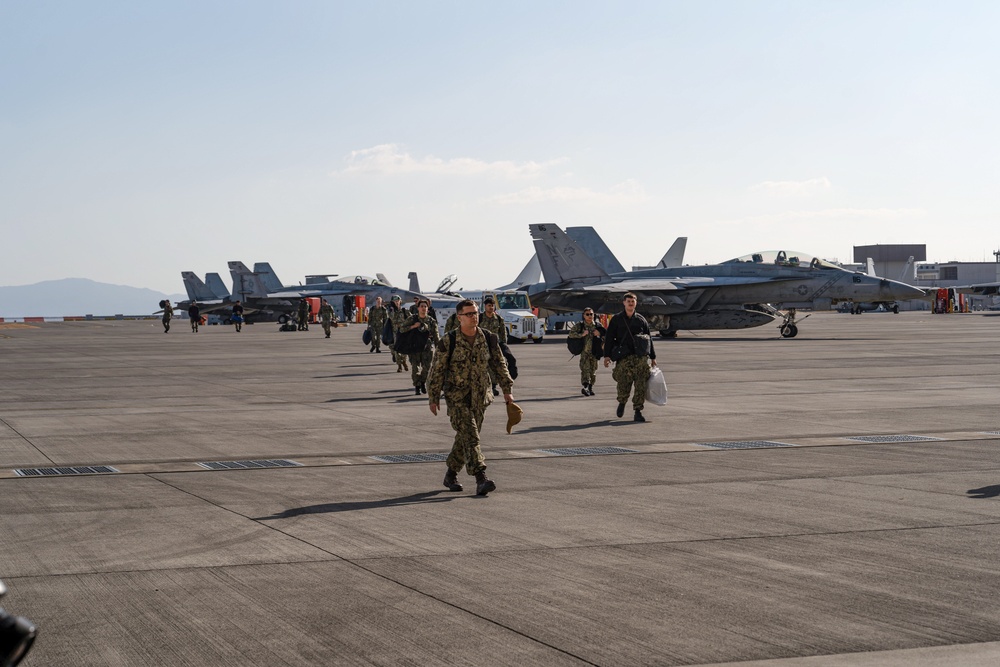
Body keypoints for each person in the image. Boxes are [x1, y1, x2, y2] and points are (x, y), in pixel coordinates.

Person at [428, 298, 514, 496]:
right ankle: (481, 477)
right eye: (469, 314)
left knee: (465, 438)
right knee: (472, 436)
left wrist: (507, 389)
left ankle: (450, 474)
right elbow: (436, 371)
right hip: (457, 398)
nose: (474, 317)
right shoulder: (448, 341)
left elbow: (499, 365)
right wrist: (433, 397)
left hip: (481, 397)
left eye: (475, 313)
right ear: (459, 318)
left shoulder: (489, 338)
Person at [603, 293, 657, 422]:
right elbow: (609, 338)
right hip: (624, 357)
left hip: (640, 358)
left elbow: (649, 339)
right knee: (623, 383)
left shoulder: (641, 320)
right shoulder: (616, 319)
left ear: (636, 303)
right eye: (628, 301)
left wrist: (653, 357)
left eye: (633, 301)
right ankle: (622, 402)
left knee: (640, 385)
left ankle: (638, 411)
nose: (631, 303)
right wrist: (607, 356)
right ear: (624, 303)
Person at [399, 298, 439, 394]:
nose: (423, 308)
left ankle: (422, 382)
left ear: (427, 308)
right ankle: (417, 385)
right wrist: (413, 326)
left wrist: (439, 347)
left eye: (425, 306)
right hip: (414, 347)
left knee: (427, 368)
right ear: (418, 308)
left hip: (427, 347)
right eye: (422, 306)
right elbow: (402, 329)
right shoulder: (412, 319)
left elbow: (436, 335)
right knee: (415, 368)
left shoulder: (431, 321)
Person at [568, 308, 604, 396]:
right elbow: (571, 334)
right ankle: (585, 387)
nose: (589, 316)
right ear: (584, 316)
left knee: (593, 371)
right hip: (585, 353)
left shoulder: (598, 325)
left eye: (591, 314)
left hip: (595, 353)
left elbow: (606, 335)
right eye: (587, 314)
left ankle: (590, 387)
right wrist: (582, 334)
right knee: (585, 370)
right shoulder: (580, 326)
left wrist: (599, 334)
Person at [477, 296, 508, 396]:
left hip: (495, 346)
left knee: (495, 365)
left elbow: (503, 333)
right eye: (489, 305)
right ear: (485, 306)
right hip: (482, 345)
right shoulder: (480, 318)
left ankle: (493, 386)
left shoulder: (498, 319)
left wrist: (503, 345)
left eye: (492, 306)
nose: (491, 308)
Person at [388, 296, 409, 372]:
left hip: (404, 332)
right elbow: (392, 318)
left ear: (400, 301)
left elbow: (411, 318)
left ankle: (404, 362)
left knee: (404, 349)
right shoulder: (391, 311)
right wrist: (392, 309)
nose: (396, 302)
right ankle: (399, 365)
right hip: (396, 332)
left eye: (398, 301)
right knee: (396, 349)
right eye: (395, 301)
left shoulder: (404, 310)